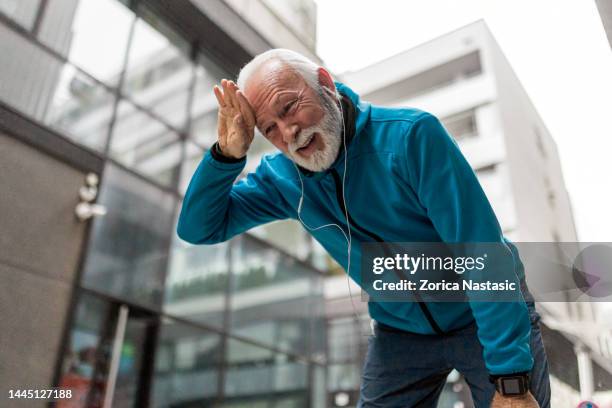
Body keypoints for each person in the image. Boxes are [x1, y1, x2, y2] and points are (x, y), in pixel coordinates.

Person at [177, 48, 551, 408]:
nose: (288, 132)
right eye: (269, 128)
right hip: (401, 333)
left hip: (480, 317)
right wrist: (226, 156)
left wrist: (512, 380)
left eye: (289, 108)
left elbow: (481, 253)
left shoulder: (410, 138)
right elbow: (200, 228)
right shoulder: (282, 181)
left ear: (325, 83)